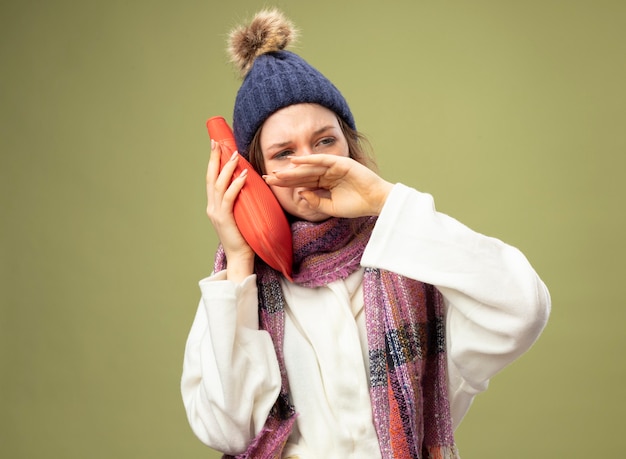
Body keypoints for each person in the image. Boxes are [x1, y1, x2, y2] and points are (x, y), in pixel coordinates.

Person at [181, 9, 550, 459]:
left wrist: (388, 202)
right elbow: (227, 431)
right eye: (283, 153)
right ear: (254, 176)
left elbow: (523, 309)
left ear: (349, 145)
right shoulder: (244, 288)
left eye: (324, 141)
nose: (309, 165)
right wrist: (239, 263)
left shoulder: (413, 256)